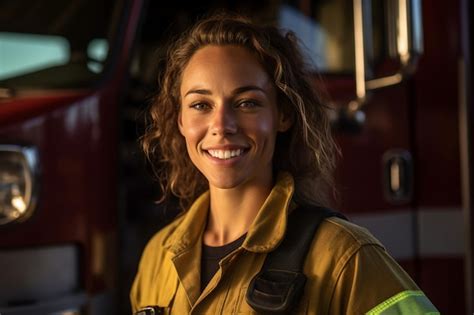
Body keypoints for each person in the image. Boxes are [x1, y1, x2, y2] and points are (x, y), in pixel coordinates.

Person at [130, 13, 439, 314]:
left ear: (283, 115)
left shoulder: (344, 256)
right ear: (181, 120)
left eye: (247, 103)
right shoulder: (158, 256)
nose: (221, 125)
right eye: (201, 105)